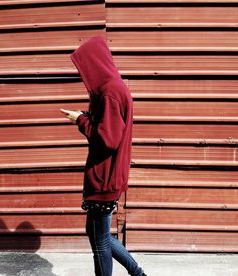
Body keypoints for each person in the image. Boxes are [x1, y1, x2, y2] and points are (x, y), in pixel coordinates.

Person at [60, 36, 146, 276]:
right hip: (109, 176)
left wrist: (80, 120)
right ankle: (138, 274)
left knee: (100, 243)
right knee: (100, 236)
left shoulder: (109, 93)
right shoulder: (115, 87)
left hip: (104, 178)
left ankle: (138, 273)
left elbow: (107, 140)